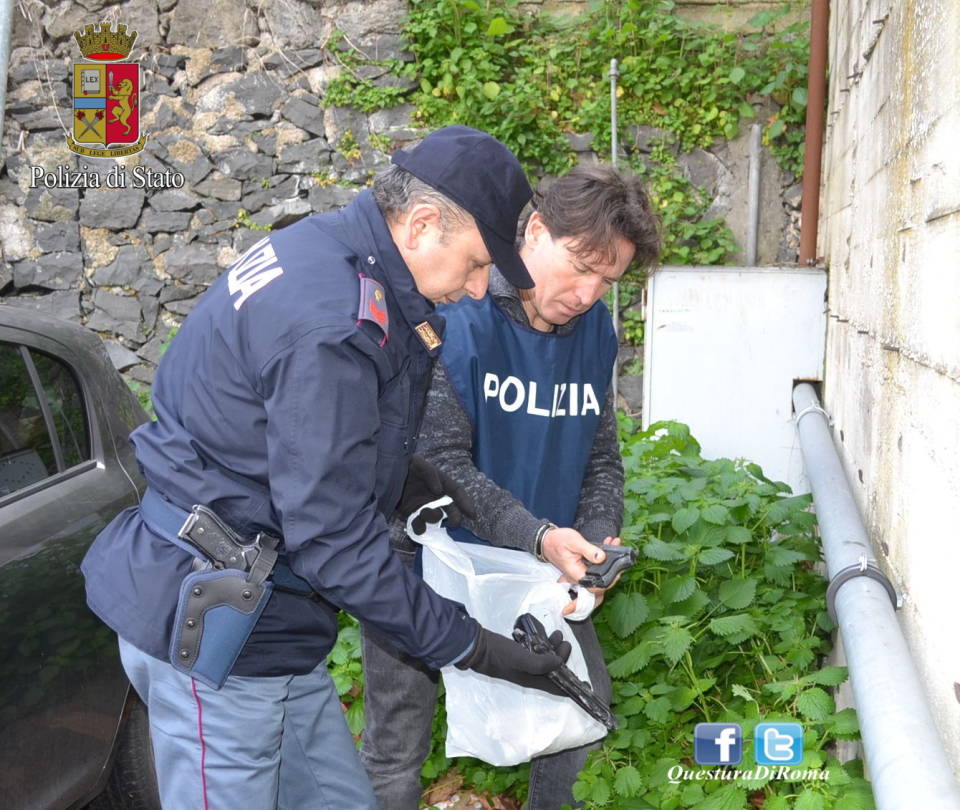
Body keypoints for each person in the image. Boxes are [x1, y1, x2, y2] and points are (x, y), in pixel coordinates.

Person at [80, 125, 576, 810]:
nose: (474, 288)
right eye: (474, 264)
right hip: (220, 626)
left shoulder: (332, 251)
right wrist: (475, 647)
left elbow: (290, 435)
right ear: (422, 223)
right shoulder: (333, 322)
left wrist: (402, 480)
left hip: (275, 617)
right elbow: (334, 542)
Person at [360, 164, 662, 810]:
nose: (587, 294)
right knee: (397, 744)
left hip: (536, 568)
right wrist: (540, 535)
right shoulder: (455, 309)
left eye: (608, 281)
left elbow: (601, 457)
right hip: (423, 558)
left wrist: (595, 544)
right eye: (580, 267)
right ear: (536, 230)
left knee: (576, 720)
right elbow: (438, 461)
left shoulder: (595, 331)